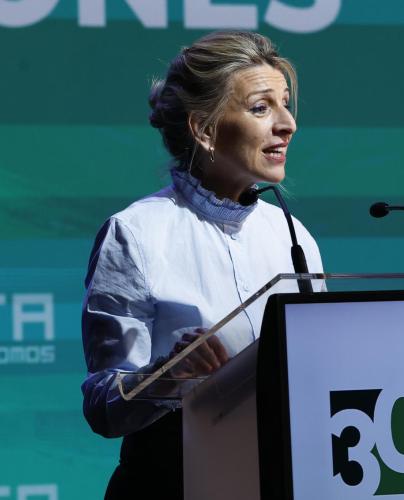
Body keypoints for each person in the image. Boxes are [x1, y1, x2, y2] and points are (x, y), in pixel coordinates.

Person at [80, 31, 325, 499]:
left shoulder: (293, 235)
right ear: (204, 130)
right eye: (261, 108)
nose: (288, 124)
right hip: (171, 483)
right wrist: (169, 374)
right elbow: (103, 408)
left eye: (286, 104)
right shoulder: (136, 233)